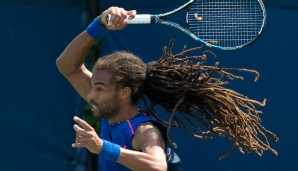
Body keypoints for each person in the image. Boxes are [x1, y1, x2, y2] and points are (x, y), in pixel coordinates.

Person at [56, 6, 278, 171]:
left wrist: (102, 147)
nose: (91, 94)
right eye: (93, 87)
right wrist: (100, 25)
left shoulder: (144, 130)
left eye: (99, 88)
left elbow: (158, 164)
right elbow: (66, 66)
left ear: (123, 93)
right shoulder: (109, 109)